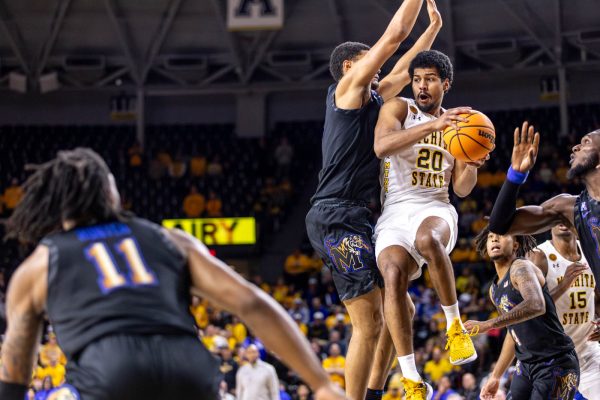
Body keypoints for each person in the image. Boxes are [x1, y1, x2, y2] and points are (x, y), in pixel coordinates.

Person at [0, 148, 345, 400]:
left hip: (109, 372)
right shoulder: (169, 239)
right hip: (188, 365)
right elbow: (251, 303)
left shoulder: (39, 265)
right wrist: (321, 384)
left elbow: (15, 371)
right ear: (111, 192)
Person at [305, 1, 442, 398]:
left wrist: (433, 28)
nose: (379, 67)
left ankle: (372, 393)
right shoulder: (346, 90)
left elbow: (405, 68)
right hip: (335, 213)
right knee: (368, 323)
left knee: (403, 309)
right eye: (370, 60)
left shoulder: (375, 98)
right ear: (351, 66)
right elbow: (396, 35)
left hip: (359, 215)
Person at [372, 49, 481, 397]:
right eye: (418, 79)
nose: (422, 85)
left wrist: (473, 163)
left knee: (428, 241)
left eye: (430, 79)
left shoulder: (462, 124)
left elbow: (461, 189)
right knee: (392, 276)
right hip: (394, 210)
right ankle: (411, 379)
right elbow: (381, 146)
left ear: (445, 84)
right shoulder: (399, 108)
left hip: (435, 205)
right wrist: (433, 125)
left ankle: (455, 327)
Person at [464, 228, 579, 400]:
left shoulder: (521, 267)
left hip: (555, 362)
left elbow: (536, 304)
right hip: (525, 365)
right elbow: (513, 333)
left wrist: (487, 324)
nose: (495, 239)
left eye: (501, 236)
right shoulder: (493, 290)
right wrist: (496, 376)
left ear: (515, 244)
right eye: (490, 237)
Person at [487, 123, 600, 285]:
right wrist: (516, 175)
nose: (575, 147)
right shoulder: (568, 208)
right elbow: (500, 225)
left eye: (586, 142)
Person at [528, 225, 600, 399]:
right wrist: (563, 285)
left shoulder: (592, 248)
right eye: (556, 217)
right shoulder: (538, 255)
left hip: (588, 350)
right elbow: (529, 310)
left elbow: (598, 296)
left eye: (564, 215)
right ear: (547, 222)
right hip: (554, 356)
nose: (562, 222)